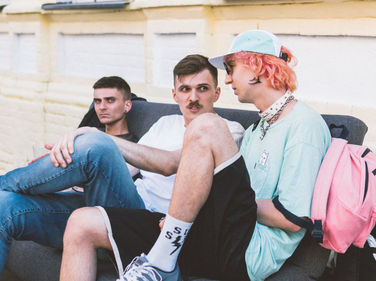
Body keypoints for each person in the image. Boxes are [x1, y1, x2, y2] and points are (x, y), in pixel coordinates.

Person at [60, 30, 331, 281]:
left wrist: (192, 213)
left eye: (230, 68)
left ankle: (161, 261)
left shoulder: (302, 124)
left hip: (250, 250)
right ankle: (166, 251)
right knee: (82, 222)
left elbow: (293, 220)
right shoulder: (257, 128)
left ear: (257, 66)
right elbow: (230, 192)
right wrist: (184, 216)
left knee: (206, 124)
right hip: (212, 235)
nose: (226, 78)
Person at [0, 55, 244, 273]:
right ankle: (8, 186)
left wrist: (100, 139)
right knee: (6, 205)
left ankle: (6, 182)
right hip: (124, 204)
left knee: (96, 144)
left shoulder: (226, 131)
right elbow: (124, 171)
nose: (193, 98)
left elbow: (169, 164)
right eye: (185, 89)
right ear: (175, 94)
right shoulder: (165, 123)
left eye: (202, 88)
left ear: (216, 93)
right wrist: (61, 178)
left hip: (152, 225)